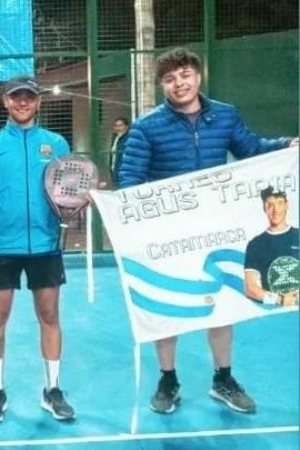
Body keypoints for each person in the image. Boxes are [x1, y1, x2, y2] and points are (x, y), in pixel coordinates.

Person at [117, 47, 298, 415]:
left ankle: (223, 379)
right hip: (166, 235)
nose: (178, 83)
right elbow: (129, 182)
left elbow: (252, 150)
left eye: (184, 75)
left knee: (224, 303)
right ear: (162, 86)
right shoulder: (146, 127)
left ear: (198, 76)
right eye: (169, 79)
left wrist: (285, 146)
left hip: (216, 230)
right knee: (167, 307)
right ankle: (168, 380)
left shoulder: (226, 115)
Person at [0, 75, 76, 424]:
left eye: (29, 97)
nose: (23, 102)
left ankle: (53, 389)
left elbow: (67, 192)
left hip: (45, 247)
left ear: (38, 101)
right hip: (0, 249)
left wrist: (76, 205)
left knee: (50, 317)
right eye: (16, 97)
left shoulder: (56, 143)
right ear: (6, 103)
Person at [244, 186, 299, 307]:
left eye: (279, 203)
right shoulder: (255, 245)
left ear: (287, 204)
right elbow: (250, 288)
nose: (275, 210)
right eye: (270, 205)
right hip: (274, 316)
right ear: (264, 208)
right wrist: (281, 300)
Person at [108, 117, 129, 182]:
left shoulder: (129, 138)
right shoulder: (115, 138)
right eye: (116, 126)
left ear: (126, 127)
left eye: (120, 126)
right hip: (114, 172)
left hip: (125, 172)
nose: (118, 128)